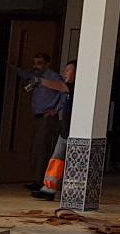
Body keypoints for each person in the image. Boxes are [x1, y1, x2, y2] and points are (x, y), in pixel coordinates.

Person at [13, 53, 65, 192]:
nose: (36, 66)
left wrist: (56, 109)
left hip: (47, 118)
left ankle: (41, 181)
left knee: (42, 149)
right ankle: (36, 178)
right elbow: (24, 74)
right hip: (37, 117)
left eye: (40, 63)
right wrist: (12, 67)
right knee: (36, 148)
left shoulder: (53, 77)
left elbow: (64, 92)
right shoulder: (35, 77)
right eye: (34, 63)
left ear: (47, 64)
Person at [27, 60, 74, 201]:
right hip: (65, 131)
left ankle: (68, 192)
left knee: (67, 162)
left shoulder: (74, 87)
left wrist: (40, 81)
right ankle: (48, 189)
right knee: (56, 160)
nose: (65, 73)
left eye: (68, 70)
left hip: (74, 132)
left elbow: (58, 86)